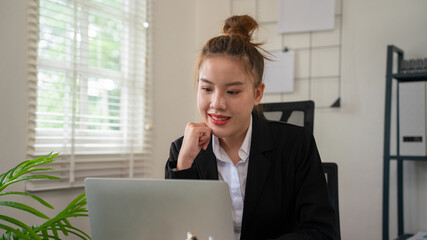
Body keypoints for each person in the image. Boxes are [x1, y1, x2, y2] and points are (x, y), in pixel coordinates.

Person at [165, 15, 337, 240]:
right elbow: (174, 230)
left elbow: (321, 232)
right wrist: (184, 164)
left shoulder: (296, 144)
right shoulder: (182, 150)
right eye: (207, 89)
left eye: (232, 91)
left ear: (257, 94)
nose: (217, 103)